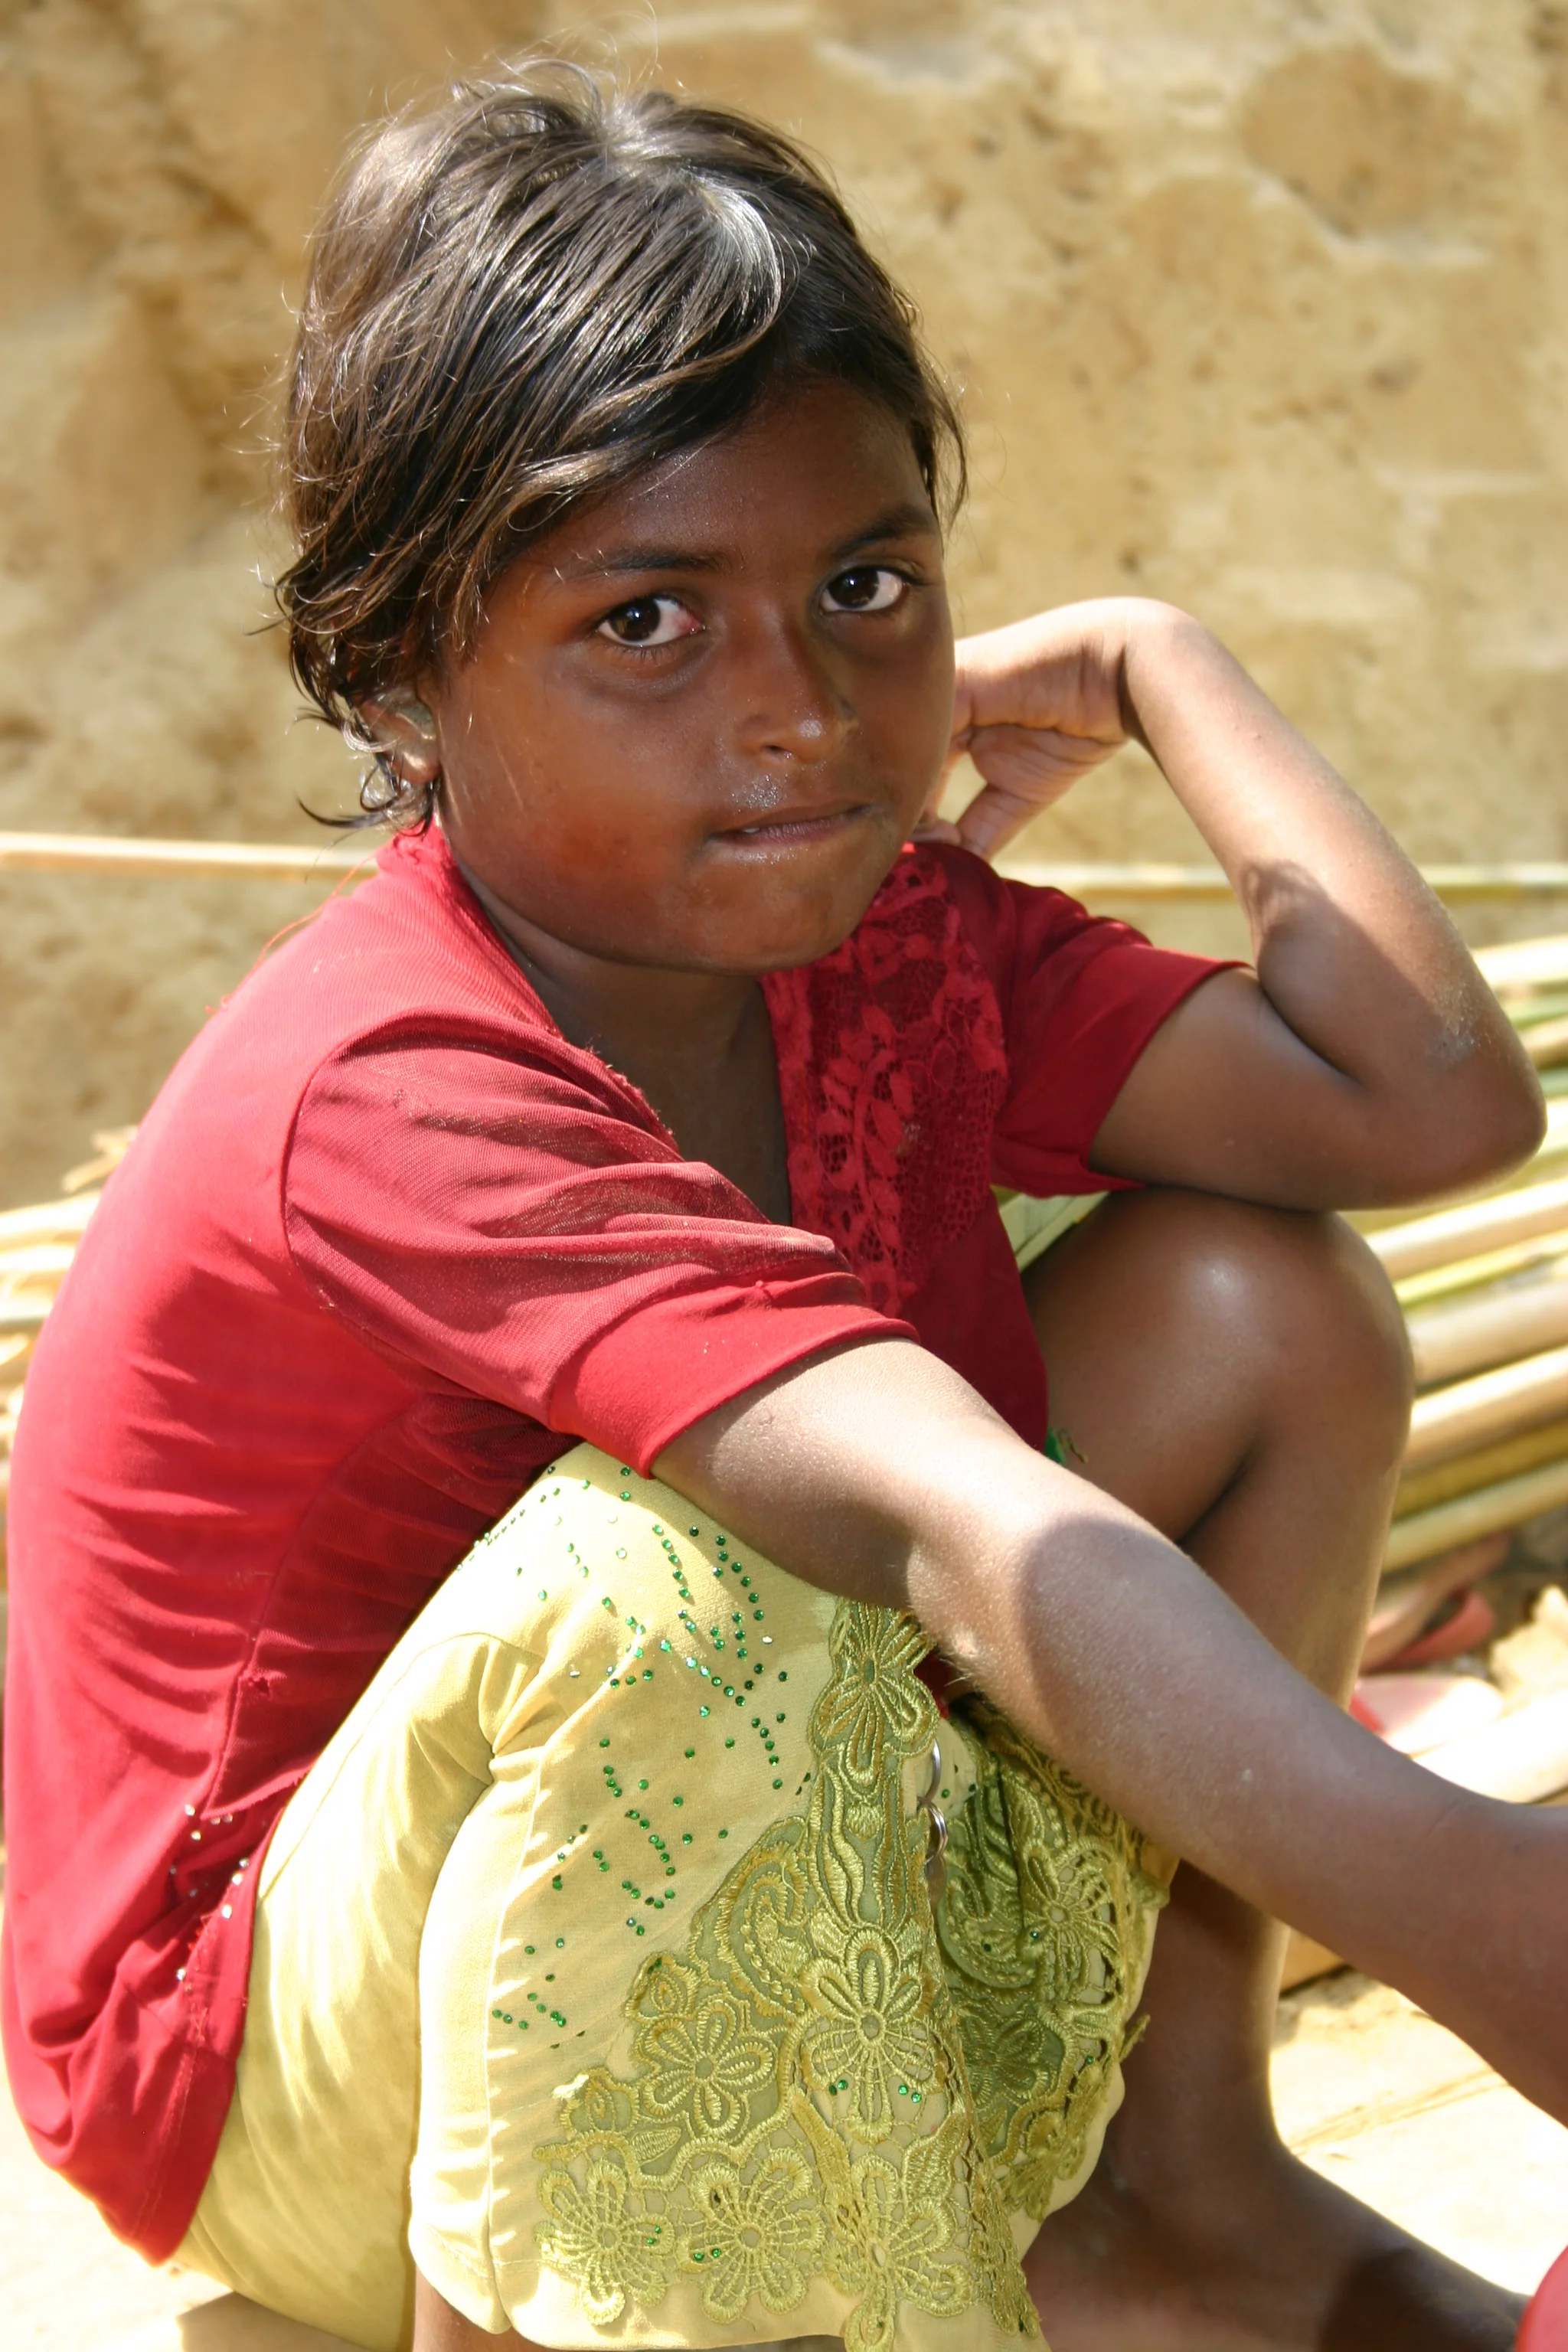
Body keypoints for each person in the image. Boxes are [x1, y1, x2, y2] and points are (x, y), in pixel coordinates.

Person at [3, 64, 1562, 2352]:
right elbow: (942, 1524)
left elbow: (1419, 1101)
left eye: (866, 585)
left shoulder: (879, 938)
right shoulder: (390, 1074)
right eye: (648, 620)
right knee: (686, 1574)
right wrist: (1492, 1914)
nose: (802, 711)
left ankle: (1173, 2177)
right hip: (282, 2047)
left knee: (1260, 1296)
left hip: (721, 1838)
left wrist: (1154, 657)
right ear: (410, 673)